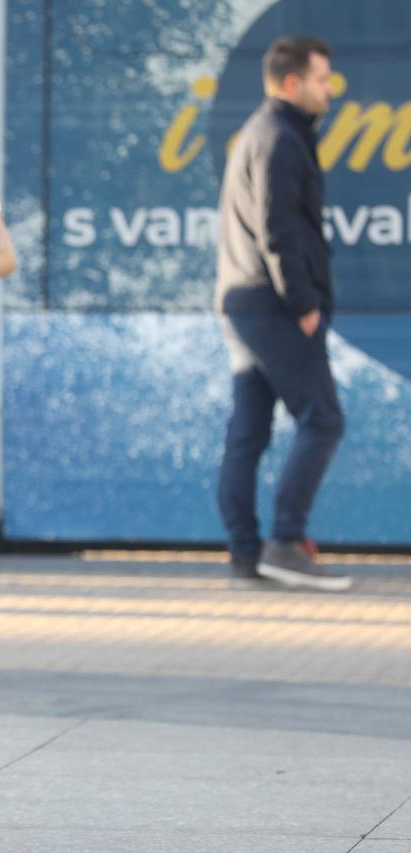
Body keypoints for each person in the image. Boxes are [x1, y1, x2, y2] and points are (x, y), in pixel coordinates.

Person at [215, 35, 350, 592]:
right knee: (323, 419)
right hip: (272, 304)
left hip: (243, 300)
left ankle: (248, 556)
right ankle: (287, 543)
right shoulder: (280, 137)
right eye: (322, 79)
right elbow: (279, 226)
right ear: (292, 83)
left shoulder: (260, 131)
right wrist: (303, 301)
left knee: (248, 432)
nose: (329, 90)